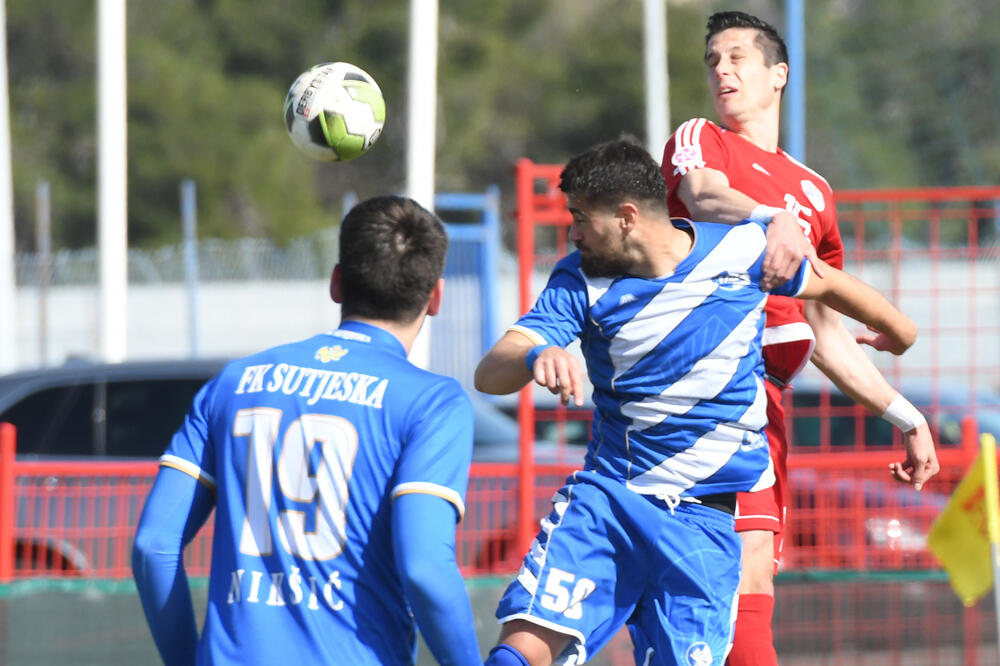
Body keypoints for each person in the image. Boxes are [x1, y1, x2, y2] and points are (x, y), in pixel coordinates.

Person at [474, 138, 922, 666]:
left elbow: (830, 288)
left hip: (703, 522)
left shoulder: (741, 252)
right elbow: (490, 372)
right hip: (610, 502)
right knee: (517, 655)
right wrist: (536, 355)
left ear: (626, 217)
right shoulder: (579, 278)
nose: (572, 232)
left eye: (580, 218)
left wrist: (901, 333)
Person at [661, 11, 940, 665]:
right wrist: (770, 217)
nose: (722, 70)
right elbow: (701, 196)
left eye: (737, 58)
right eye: (713, 62)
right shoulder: (703, 140)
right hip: (707, 386)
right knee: (720, 574)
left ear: (778, 74)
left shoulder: (815, 191)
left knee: (752, 576)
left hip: (767, 403)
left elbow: (825, 329)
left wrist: (905, 414)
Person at [132, 195, 482, 666]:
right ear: (436, 297)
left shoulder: (235, 382)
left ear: (337, 283)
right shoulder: (433, 403)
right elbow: (424, 569)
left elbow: (154, 545)